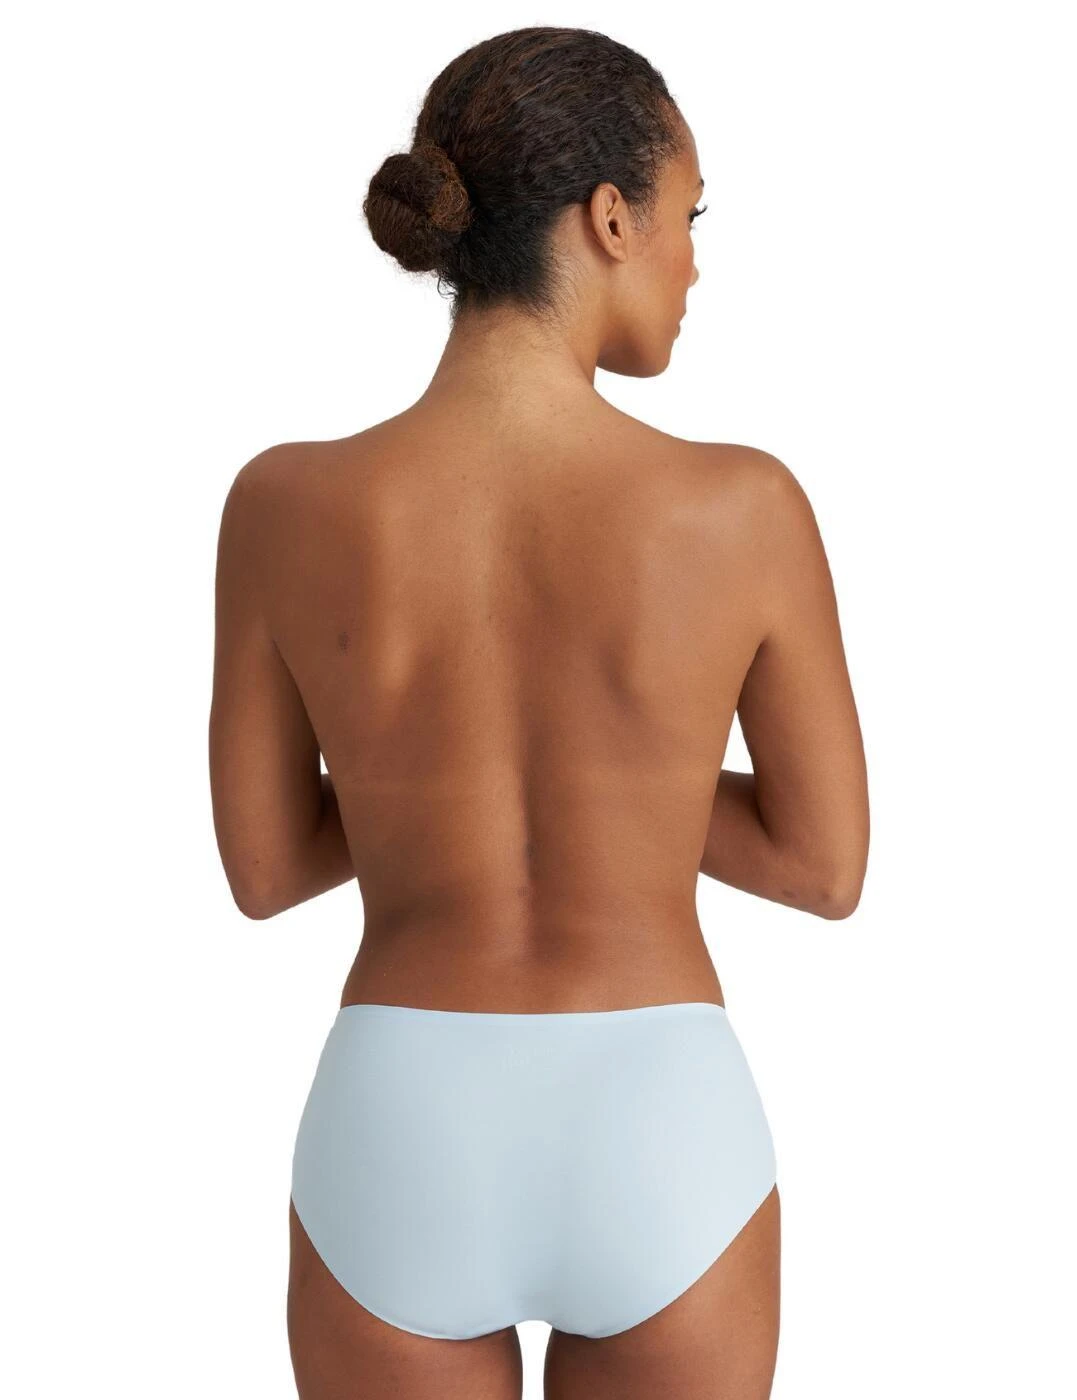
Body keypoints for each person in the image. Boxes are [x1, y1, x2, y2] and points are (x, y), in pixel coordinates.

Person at [208, 24, 869, 1400]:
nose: (696, 265)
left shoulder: (282, 504)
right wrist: (628, 780)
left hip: (399, 1123)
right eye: (691, 218)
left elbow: (264, 871)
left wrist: (423, 782)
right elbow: (823, 867)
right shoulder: (743, 508)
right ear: (610, 219)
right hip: (660, 1122)